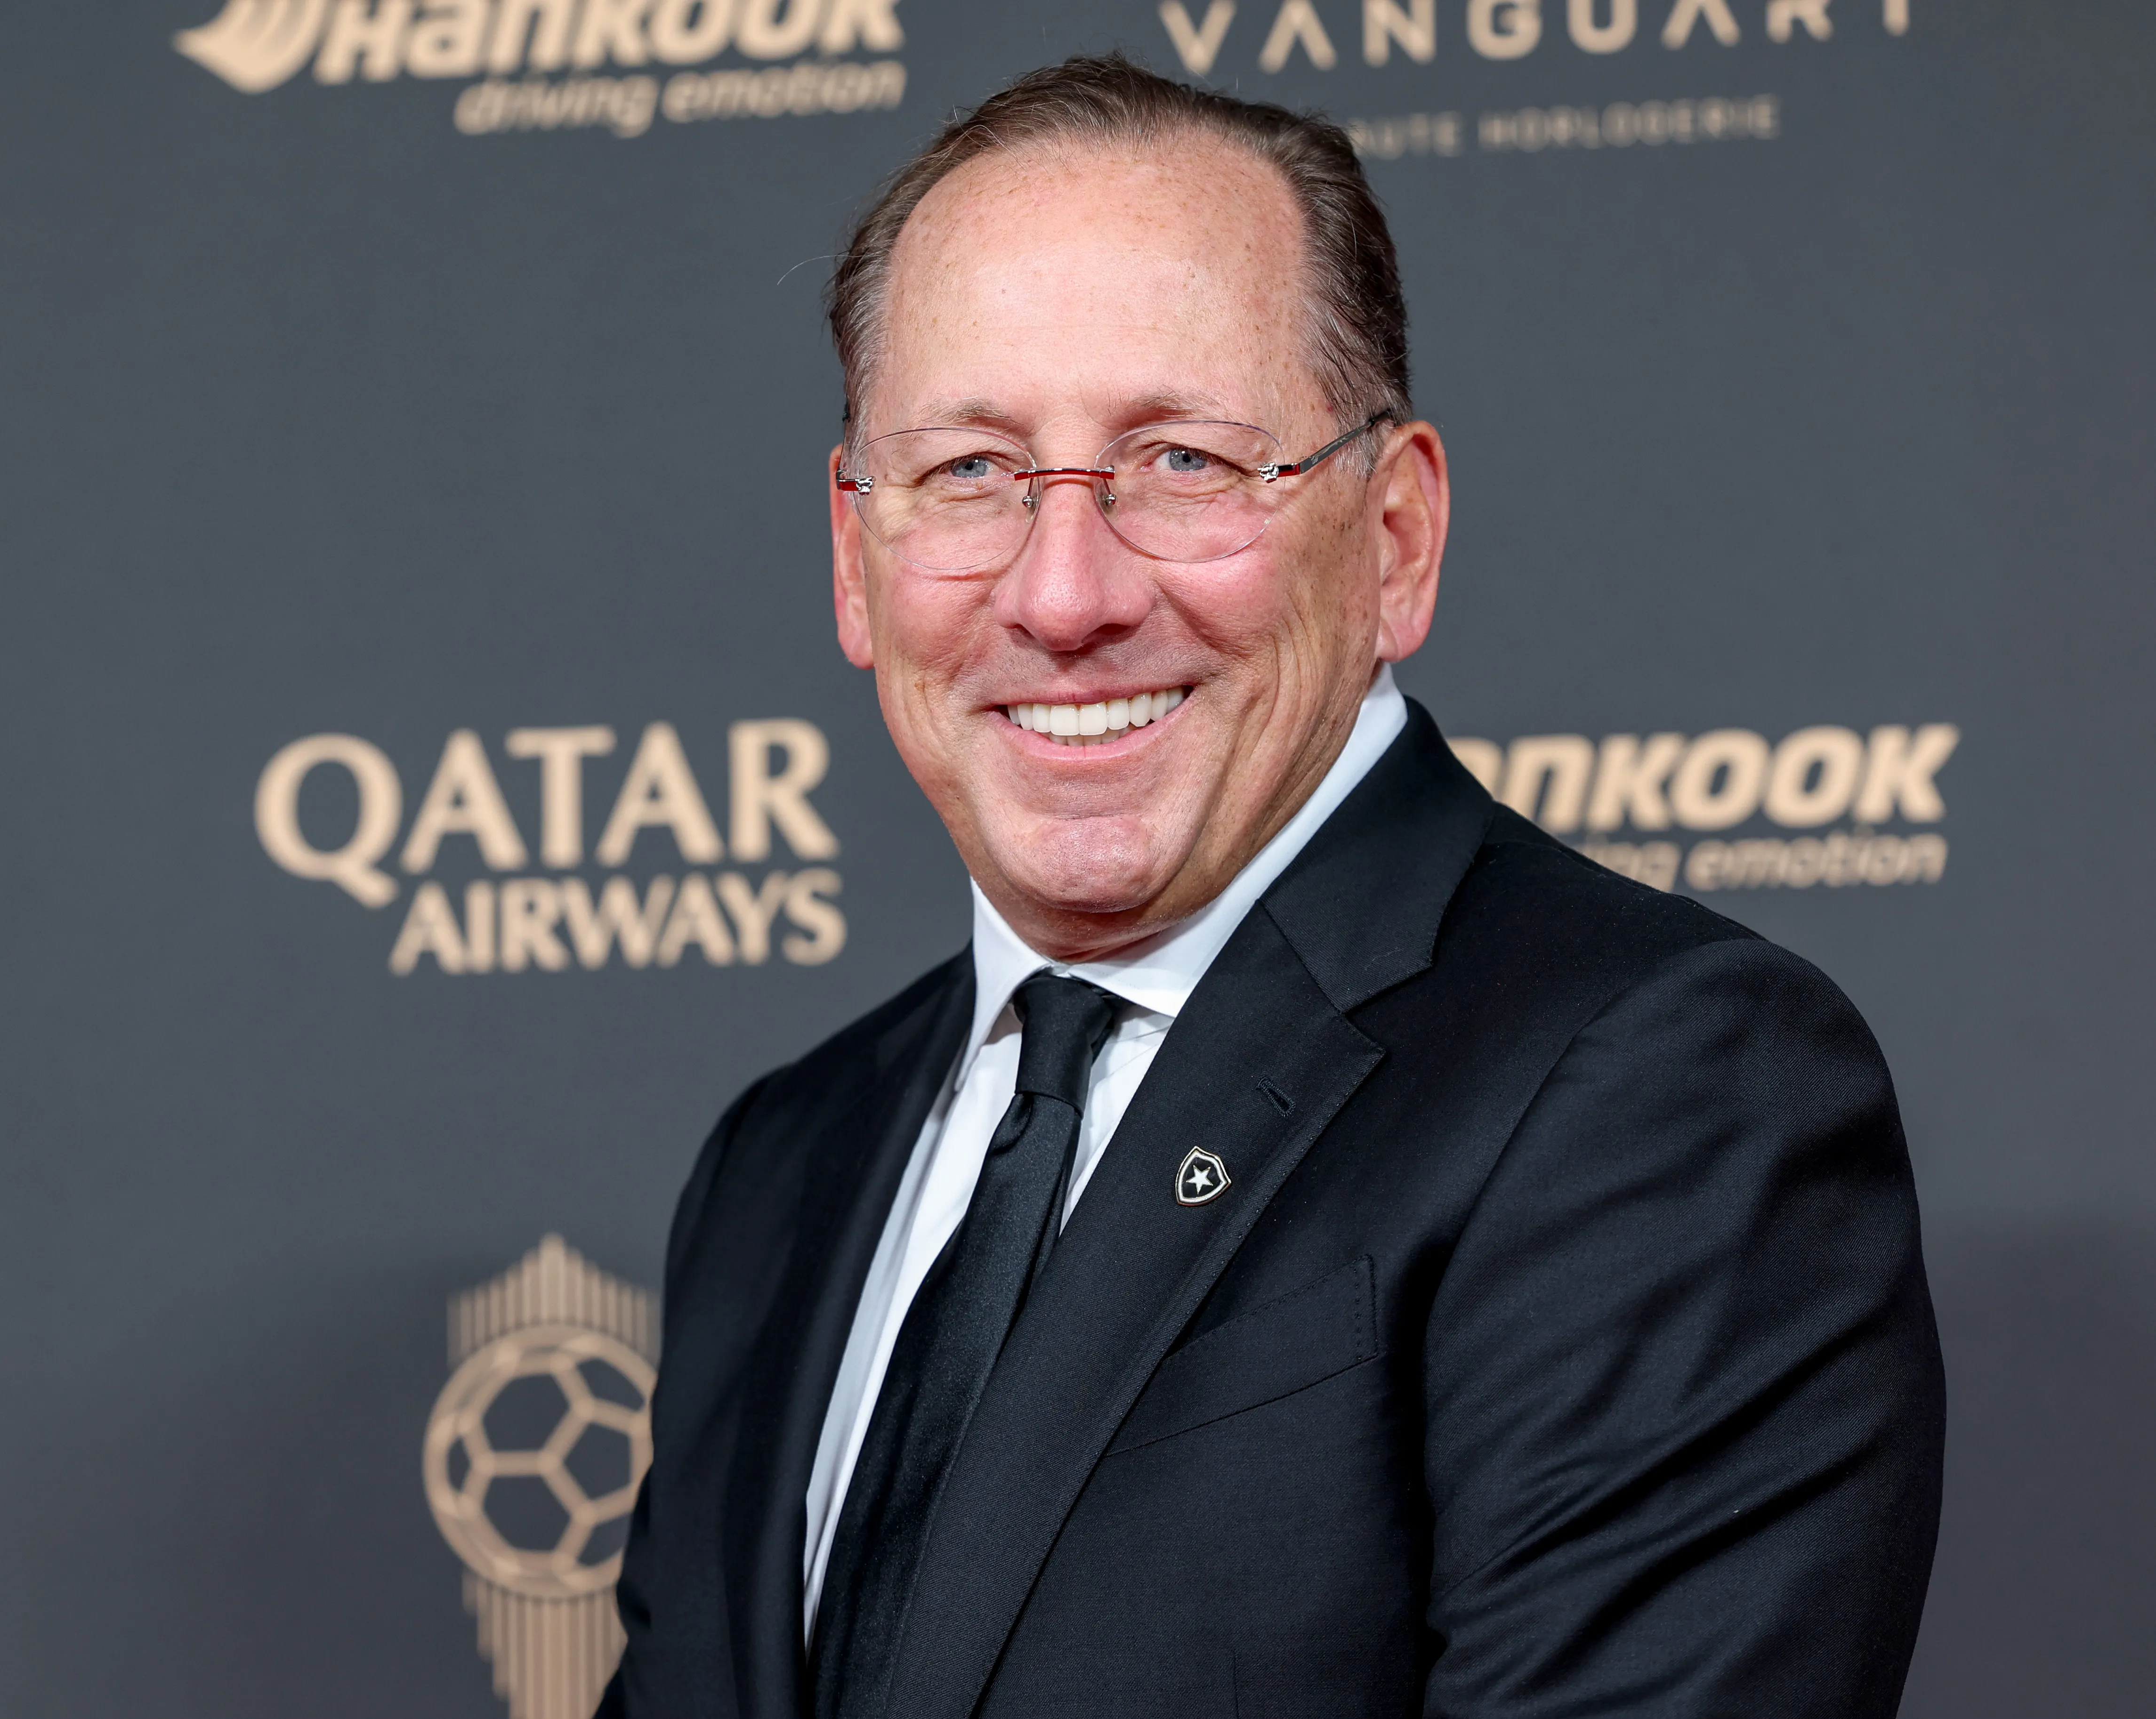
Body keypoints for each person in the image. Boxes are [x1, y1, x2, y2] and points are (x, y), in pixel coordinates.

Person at [598, 55, 1944, 1719]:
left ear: (1394, 537)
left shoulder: (1668, 1092)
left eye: (1181, 461)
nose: (1064, 593)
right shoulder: (783, 1161)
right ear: (853, 553)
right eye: (969, 474)